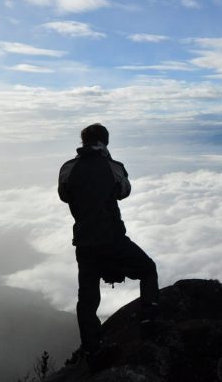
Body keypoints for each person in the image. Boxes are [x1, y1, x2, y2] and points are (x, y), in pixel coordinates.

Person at [58, 123, 159, 358]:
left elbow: (64, 196)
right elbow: (124, 191)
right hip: (112, 238)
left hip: (84, 242)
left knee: (87, 298)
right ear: (106, 141)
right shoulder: (113, 167)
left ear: (82, 142)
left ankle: (91, 347)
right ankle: (149, 320)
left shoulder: (68, 168)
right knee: (147, 269)